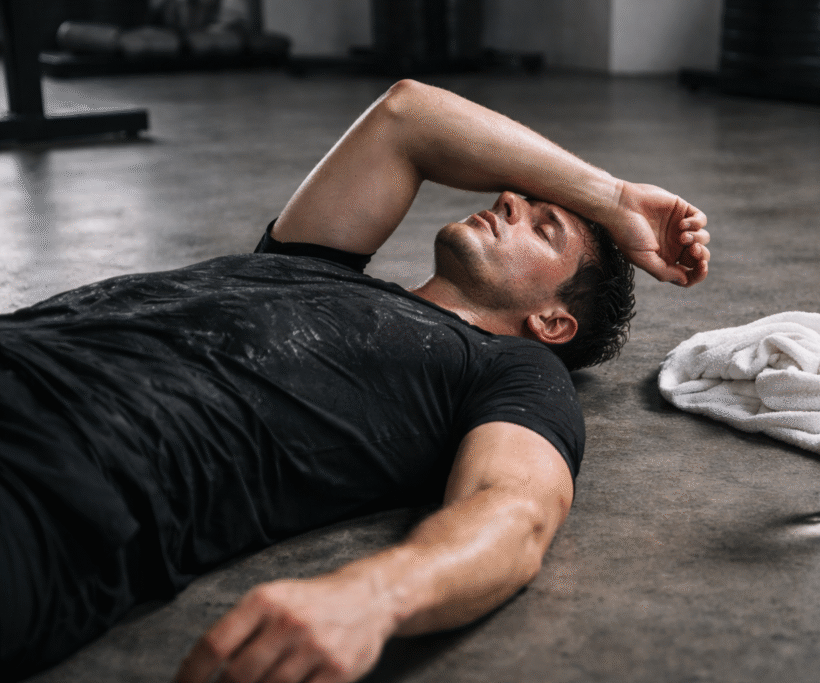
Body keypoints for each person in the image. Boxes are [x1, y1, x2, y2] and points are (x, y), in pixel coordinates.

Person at [0, 79, 709, 683]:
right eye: (524, 198)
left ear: (554, 322)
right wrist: (610, 196)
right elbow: (409, 115)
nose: (511, 201)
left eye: (544, 226)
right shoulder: (314, 260)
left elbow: (515, 510)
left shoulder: (512, 371)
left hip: (58, 475)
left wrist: (373, 595)